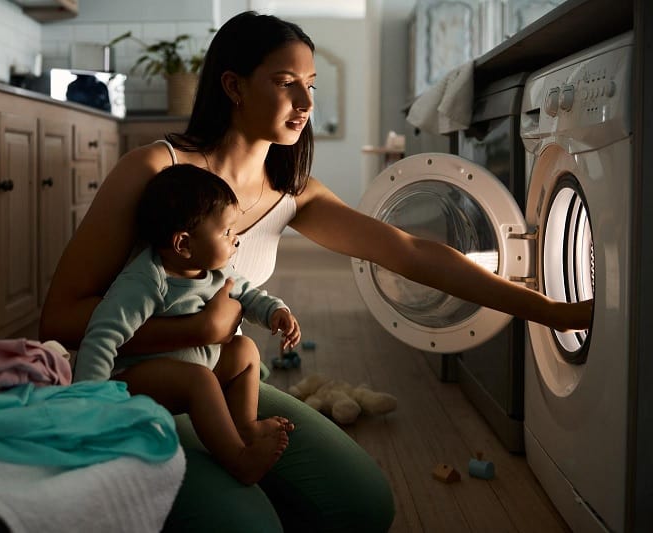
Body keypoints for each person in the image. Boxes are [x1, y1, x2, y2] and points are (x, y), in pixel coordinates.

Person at [41, 10, 593, 532]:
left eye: (311, 83)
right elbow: (60, 320)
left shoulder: (292, 193)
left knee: (364, 505)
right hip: (132, 386)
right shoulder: (156, 169)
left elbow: (410, 252)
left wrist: (545, 308)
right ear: (234, 87)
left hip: (218, 380)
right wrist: (196, 331)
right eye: (285, 81)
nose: (305, 100)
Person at [74, 163, 301, 486]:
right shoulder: (147, 281)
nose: (235, 240)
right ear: (183, 244)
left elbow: (248, 294)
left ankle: (245, 425)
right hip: (138, 380)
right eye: (226, 232)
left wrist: (275, 312)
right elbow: (102, 336)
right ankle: (238, 459)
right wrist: (89, 405)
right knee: (199, 380)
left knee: (245, 349)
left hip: (195, 368)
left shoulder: (216, 269)